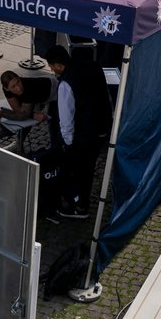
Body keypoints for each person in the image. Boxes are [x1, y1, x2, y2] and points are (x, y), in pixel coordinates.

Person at [44, 44, 107, 220]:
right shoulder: (93, 66)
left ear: (57, 65)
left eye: (51, 66)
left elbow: (66, 118)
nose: (51, 70)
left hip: (81, 136)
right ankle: (82, 203)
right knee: (88, 169)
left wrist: (67, 143)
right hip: (99, 129)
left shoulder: (66, 83)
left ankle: (78, 206)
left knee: (76, 172)